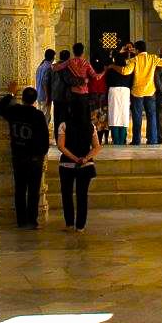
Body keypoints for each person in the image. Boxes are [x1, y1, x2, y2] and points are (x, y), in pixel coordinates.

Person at [0, 81, 51, 228]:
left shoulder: (15, 111)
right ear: (34, 100)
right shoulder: (38, 116)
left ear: (23, 98)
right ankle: (32, 221)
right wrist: (41, 155)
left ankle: (21, 221)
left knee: (20, 189)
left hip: (18, 157)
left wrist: (11, 93)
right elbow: (45, 139)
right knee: (33, 191)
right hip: (34, 159)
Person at [115, 40, 162, 145]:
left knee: (137, 116)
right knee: (152, 116)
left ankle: (136, 140)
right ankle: (152, 140)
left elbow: (125, 71)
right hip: (150, 91)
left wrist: (116, 63)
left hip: (137, 92)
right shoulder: (152, 58)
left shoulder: (135, 60)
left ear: (137, 49)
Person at [56, 96, 101, 232]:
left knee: (67, 194)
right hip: (85, 166)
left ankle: (69, 223)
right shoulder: (90, 126)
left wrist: (74, 158)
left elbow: (61, 146)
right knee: (82, 196)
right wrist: (85, 159)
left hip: (67, 165)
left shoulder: (64, 125)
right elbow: (97, 146)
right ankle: (80, 226)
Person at [53, 42, 96, 135]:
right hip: (84, 94)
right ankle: (84, 135)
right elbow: (95, 76)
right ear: (82, 52)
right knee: (83, 115)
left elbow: (56, 68)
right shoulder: (86, 63)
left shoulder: (70, 62)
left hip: (73, 94)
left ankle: (74, 135)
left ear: (73, 51)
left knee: (73, 115)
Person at [105, 51, 132, 146]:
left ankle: (116, 140)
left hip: (113, 91)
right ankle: (122, 140)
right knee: (124, 116)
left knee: (114, 115)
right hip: (125, 92)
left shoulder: (111, 70)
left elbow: (107, 82)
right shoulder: (127, 69)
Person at [49, 49, 72, 141]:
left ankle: (57, 136)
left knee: (57, 117)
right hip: (64, 96)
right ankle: (63, 137)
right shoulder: (65, 67)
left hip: (55, 95)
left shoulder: (53, 67)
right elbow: (68, 80)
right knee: (64, 117)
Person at [88, 57, 109, 144]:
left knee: (94, 118)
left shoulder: (90, 74)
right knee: (104, 118)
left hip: (93, 96)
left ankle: (95, 139)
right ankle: (105, 139)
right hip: (103, 96)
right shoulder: (106, 74)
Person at [34, 48, 56, 120]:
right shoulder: (49, 67)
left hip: (39, 95)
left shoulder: (40, 67)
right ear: (53, 57)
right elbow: (45, 82)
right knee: (45, 118)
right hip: (45, 96)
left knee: (40, 116)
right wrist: (47, 97)